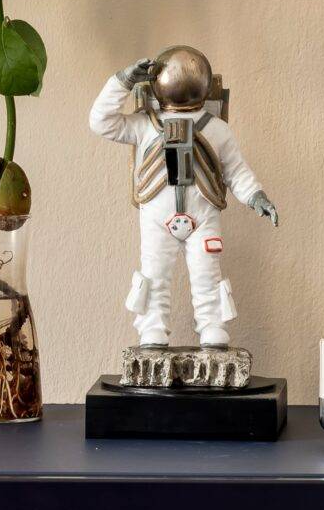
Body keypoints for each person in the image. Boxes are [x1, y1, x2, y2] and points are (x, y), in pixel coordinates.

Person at [89, 46, 279, 349]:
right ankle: (152, 329)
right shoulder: (144, 125)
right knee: (154, 274)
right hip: (156, 216)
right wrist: (122, 81)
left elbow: (235, 171)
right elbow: (101, 121)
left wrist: (256, 196)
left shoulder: (217, 130)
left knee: (207, 274)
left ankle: (212, 327)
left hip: (203, 217)